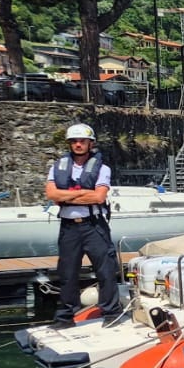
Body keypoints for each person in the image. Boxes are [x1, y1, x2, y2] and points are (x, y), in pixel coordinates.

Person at [45, 123, 123, 328]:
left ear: (91, 143)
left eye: (82, 141)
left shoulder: (102, 168)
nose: (78, 144)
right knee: (67, 273)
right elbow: (52, 195)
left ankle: (111, 313)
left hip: (94, 226)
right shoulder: (57, 167)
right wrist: (81, 194)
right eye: (74, 141)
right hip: (69, 227)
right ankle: (65, 318)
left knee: (105, 270)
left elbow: (98, 196)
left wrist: (67, 196)